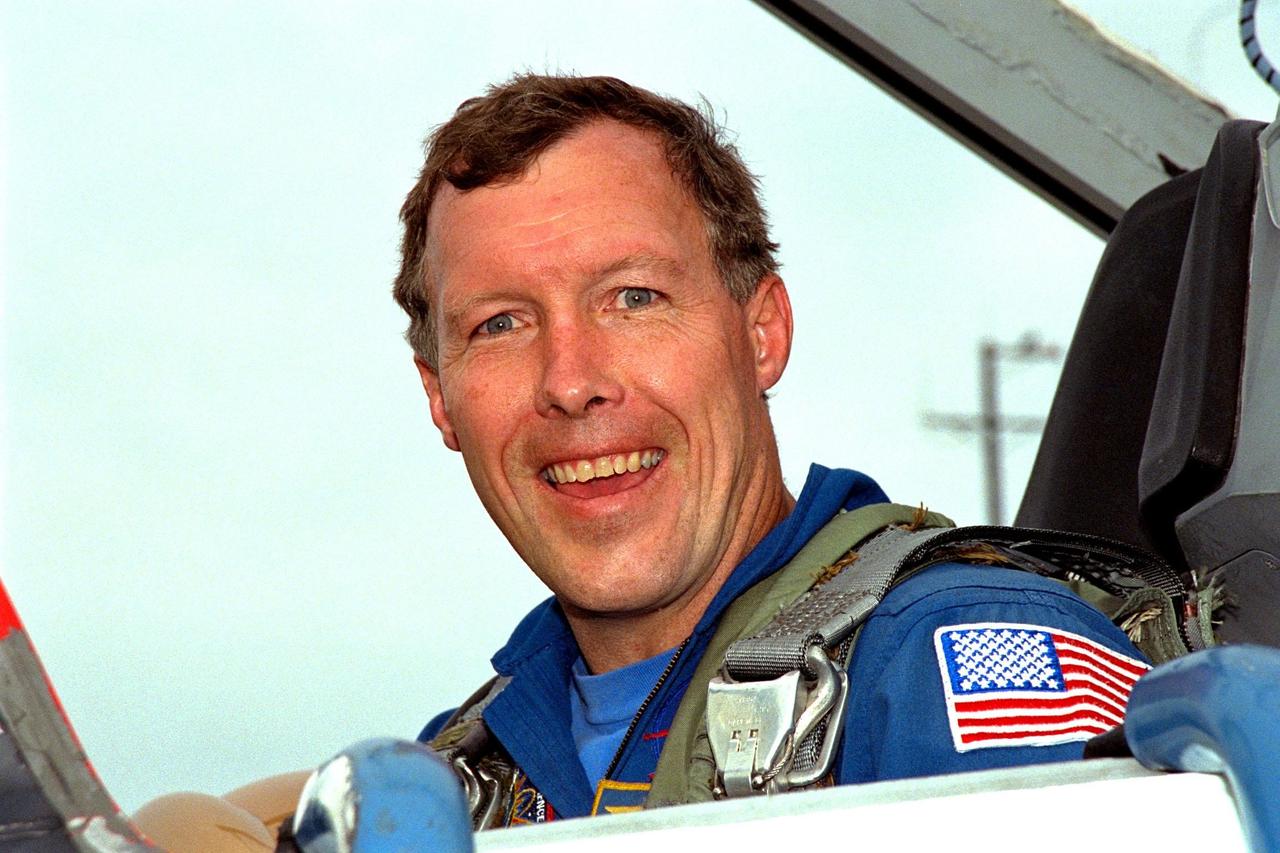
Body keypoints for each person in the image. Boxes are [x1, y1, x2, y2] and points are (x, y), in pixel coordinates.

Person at [395, 73, 1152, 825]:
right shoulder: (455, 785)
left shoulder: (957, 661)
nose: (570, 381)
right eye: (500, 323)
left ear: (762, 333)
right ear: (439, 394)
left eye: (633, 298)